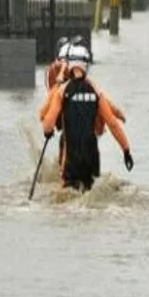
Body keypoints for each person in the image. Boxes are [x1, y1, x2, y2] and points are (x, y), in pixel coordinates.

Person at [39, 42, 134, 191]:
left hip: (71, 155)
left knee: (66, 198)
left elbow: (46, 120)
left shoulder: (61, 90)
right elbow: (113, 123)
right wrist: (126, 150)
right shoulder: (95, 89)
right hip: (91, 154)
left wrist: (47, 130)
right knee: (90, 196)